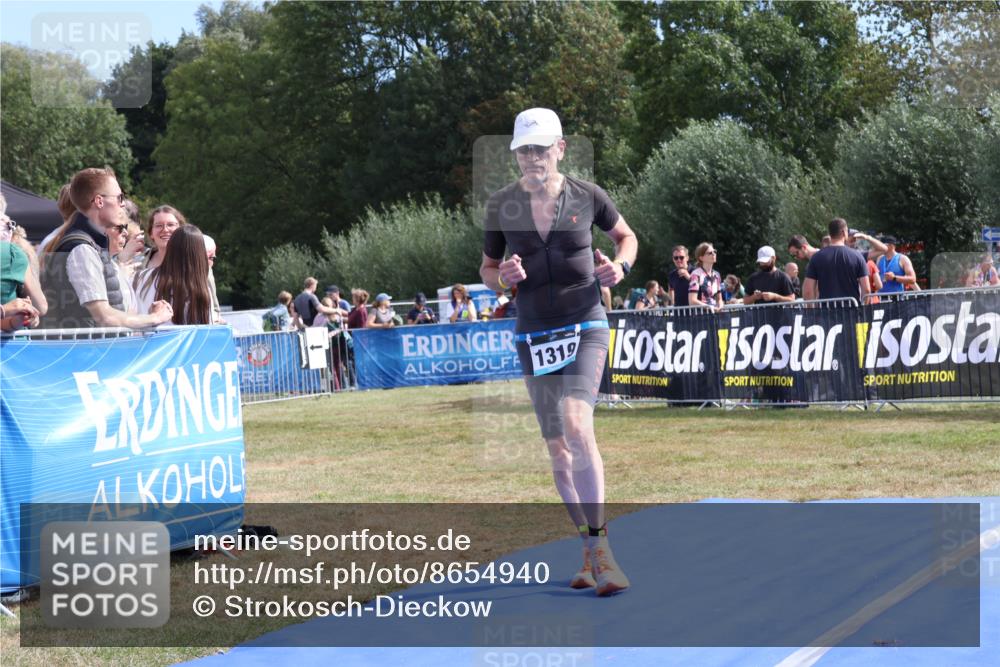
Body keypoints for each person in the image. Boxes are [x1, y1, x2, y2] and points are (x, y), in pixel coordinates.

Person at [480, 107, 638, 596]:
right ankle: (589, 551)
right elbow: (487, 268)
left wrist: (621, 266)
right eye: (524, 150)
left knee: (576, 424)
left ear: (561, 149)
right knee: (557, 449)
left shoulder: (588, 196)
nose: (533, 158)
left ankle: (603, 550)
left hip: (585, 324)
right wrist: (501, 280)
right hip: (534, 335)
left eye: (541, 148)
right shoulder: (501, 205)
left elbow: (626, 238)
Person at [40, 167, 172, 329]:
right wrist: (154, 318)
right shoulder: (81, 249)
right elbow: (104, 316)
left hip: (96, 350)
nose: (123, 205)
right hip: (89, 352)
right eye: (119, 198)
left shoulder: (90, 245)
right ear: (99, 201)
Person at [136, 225, 213, 324]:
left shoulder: (142, 277)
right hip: (186, 338)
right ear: (199, 254)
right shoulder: (200, 287)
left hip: (146, 337)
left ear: (170, 248)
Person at [802, 218, 870, 303]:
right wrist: (862, 311)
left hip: (827, 312)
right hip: (851, 312)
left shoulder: (816, 257)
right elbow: (866, 289)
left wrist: (812, 312)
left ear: (830, 233)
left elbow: (808, 291)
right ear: (843, 232)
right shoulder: (857, 256)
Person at [688, 242, 723, 310]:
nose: (713, 254)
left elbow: (719, 299)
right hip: (700, 316)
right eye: (710, 253)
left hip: (715, 315)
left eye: (714, 251)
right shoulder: (696, 274)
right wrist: (710, 307)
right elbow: (692, 301)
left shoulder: (717, 275)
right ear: (701, 258)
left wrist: (720, 306)